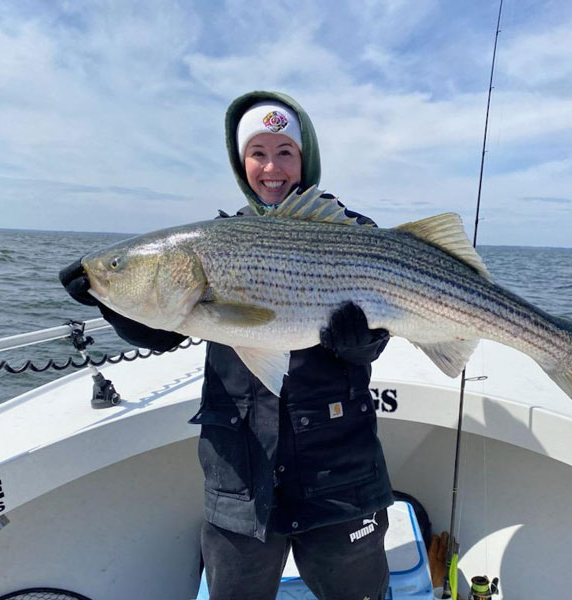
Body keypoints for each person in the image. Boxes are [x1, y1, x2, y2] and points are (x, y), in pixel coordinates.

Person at [59, 91, 394, 600]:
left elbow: (378, 341)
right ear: (242, 164)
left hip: (340, 469)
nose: (272, 167)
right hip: (240, 472)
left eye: (286, 152)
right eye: (258, 152)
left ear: (306, 160)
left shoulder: (355, 234)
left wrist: (361, 344)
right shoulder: (216, 240)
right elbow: (162, 332)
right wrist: (109, 297)